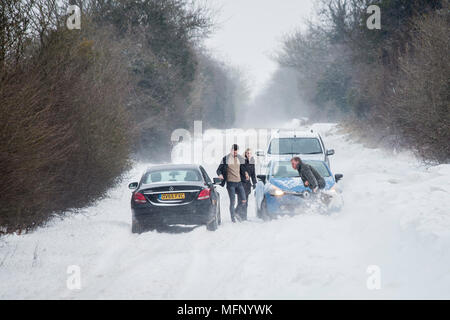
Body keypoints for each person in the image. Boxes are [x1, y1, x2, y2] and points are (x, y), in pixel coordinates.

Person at [217, 144, 249, 222]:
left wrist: (246, 173)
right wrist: (220, 175)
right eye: (234, 151)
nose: (235, 153)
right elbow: (218, 170)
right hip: (231, 183)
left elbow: (243, 168)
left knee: (244, 200)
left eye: (236, 151)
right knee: (233, 201)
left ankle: (235, 212)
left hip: (239, 182)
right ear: (231, 150)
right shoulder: (226, 159)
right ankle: (233, 219)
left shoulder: (240, 158)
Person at [242, 148, 257, 220]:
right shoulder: (242, 162)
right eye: (247, 153)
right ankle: (239, 214)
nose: (249, 155)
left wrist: (254, 183)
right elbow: (241, 171)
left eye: (250, 153)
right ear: (245, 154)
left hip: (248, 184)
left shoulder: (252, 162)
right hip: (242, 183)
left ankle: (244, 217)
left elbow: (253, 174)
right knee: (242, 200)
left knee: (246, 201)